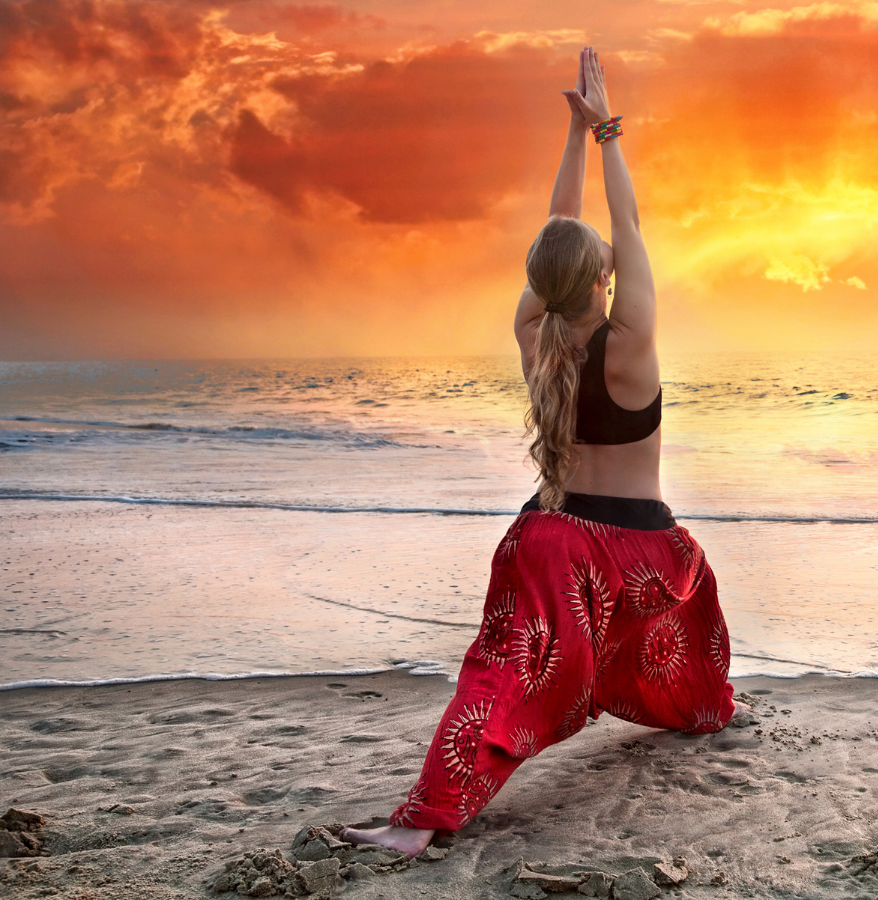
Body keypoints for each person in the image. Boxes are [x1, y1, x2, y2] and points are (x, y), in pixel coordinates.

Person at [342, 47, 737, 857]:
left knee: (499, 679)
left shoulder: (535, 337)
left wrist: (570, 132)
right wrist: (608, 134)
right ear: (605, 278)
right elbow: (627, 229)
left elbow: (563, 238)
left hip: (544, 541)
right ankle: (700, 708)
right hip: (638, 556)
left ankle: (422, 821)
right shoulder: (630, 343)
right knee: (686, 590)